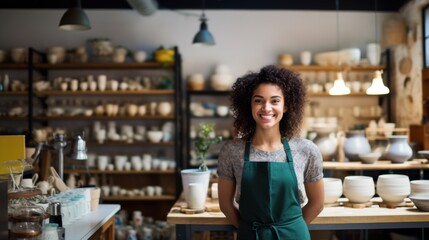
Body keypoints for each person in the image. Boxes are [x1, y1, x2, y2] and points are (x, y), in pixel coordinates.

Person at [217, 65, 324, 239]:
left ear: (286, 106)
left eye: (275, 101)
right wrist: (247, 229)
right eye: (258, 100)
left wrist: (292, 228)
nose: (266, 108)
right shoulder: (231, 151)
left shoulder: (306, 150)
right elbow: (225, 205)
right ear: (249, 105)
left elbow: (317, 203)